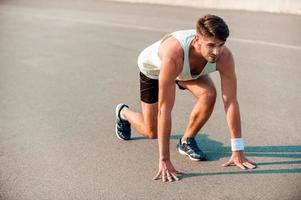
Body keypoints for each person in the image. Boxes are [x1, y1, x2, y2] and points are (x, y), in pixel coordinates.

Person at [115, 14, 256, 182]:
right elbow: (164, 110)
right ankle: (123, 112)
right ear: (198, 39)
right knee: (151, 131)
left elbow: (231, 102)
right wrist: (164, 160)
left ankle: (187, 140)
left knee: (209, 94)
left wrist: (238, 150)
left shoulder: (224, 57)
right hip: (154, 70)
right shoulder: (174, 56)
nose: (216, 51)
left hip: (188, 70)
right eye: (211, 45)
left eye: (221, 45)